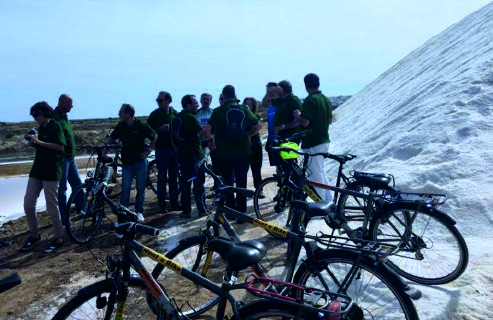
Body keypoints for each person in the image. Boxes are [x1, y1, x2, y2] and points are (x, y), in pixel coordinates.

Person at [204, 85, 260, 221]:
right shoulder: (244, 109)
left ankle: (230, 210)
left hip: (225, 152)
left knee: (228, 181)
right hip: (243, 151)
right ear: (235, 95)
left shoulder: (218, 111)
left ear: (223, 96)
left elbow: (207, 129)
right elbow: (257, 126)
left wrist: (211, 140)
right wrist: (248, 135)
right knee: (241, 181)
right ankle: (242, 212)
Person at [20, 101, 66, 253]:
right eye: (33, 116)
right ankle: (34, 235)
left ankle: (58, 237)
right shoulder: (41, 127)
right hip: (37, 170)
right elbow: (43, 146)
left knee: (51, 206)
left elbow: (60, 147)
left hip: (51, 171)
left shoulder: (56, 126)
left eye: (37, 115)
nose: (35, 118)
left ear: (45, 113)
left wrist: (40, 142)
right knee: (28, 203)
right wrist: (34, 143)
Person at [109, 104, 157, 222]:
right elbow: (111, 138)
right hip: (126, 164)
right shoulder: (121, 126)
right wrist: (110, 148)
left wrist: (148, 151)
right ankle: (123, 214)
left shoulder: (140, 125)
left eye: (121, 111)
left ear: (127, 113)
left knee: (140, 189)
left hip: (140, 162)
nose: (118, 113)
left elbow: (154, 136)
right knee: (125, 190)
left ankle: (139, 212)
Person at [298, 73, 333, 201]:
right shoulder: (325, 99)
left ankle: (320, 206)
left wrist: (297, 115)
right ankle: (329, 202)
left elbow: (305, 122)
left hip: (313, 142)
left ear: (306, 85)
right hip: (324, 140)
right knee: (321, 172)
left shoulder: (311, 100)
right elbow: (329, 120)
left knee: (315, 176)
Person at [147, 91, 180, 213]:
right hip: (161, 149)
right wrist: (160, 129)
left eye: (160, 100)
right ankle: (161, 205)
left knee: (174, 178)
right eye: (157, 100)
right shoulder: (154, 115)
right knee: (161, 178)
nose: (158, 102)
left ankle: (174, 203)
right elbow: (147, 130)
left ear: (168, 100)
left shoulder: (175, 113)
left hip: (174, 150)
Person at [174, 94, 206, 218]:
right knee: (198, 184)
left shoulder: (177, 118)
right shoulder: (190, 118)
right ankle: (202, 209)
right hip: (194, 155)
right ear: (188, 105)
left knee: (185, 185)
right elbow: (201, 132)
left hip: (182, 156)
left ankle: (186, 211)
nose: (197, 105)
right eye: (195, 103)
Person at [54, 94, 83, 225]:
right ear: (62, 104)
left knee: (77, 183)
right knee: (62, 189)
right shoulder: (54, 119)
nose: (72, 106)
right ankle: (64, 218)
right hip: (61, 159)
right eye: (70, 104)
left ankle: (81, 210)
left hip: (71, 158)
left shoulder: (65, 117)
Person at [243, 97, 263, 190]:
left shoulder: (256, 116)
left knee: (256, 169)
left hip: (255, 145)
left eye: (249, 104)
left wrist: (249, 135)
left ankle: (259, 189)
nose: (247, 106)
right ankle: (243, 190)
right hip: (244, 146)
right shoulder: (242, 117)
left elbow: (258, 126)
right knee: (243, 170)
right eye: (245, 104)